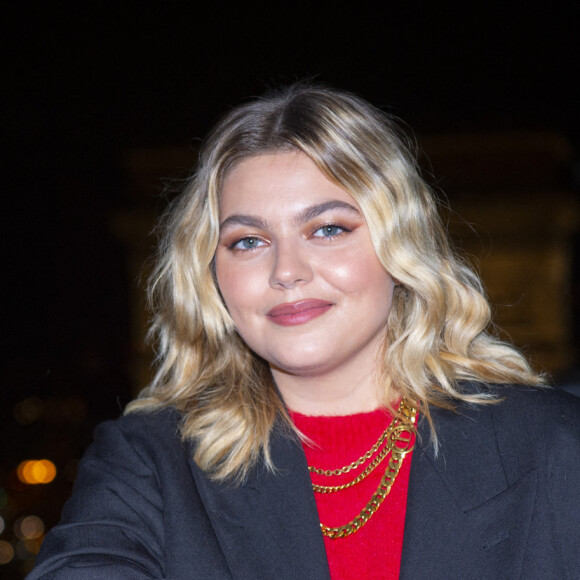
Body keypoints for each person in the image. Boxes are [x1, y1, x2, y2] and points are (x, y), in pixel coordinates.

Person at [29, 84, 580, 579]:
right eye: (248, 241)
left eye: (328, 229)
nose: (286, 271)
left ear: (400, 248)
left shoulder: (552, 443)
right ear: (212, 276)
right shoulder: (146, 462)